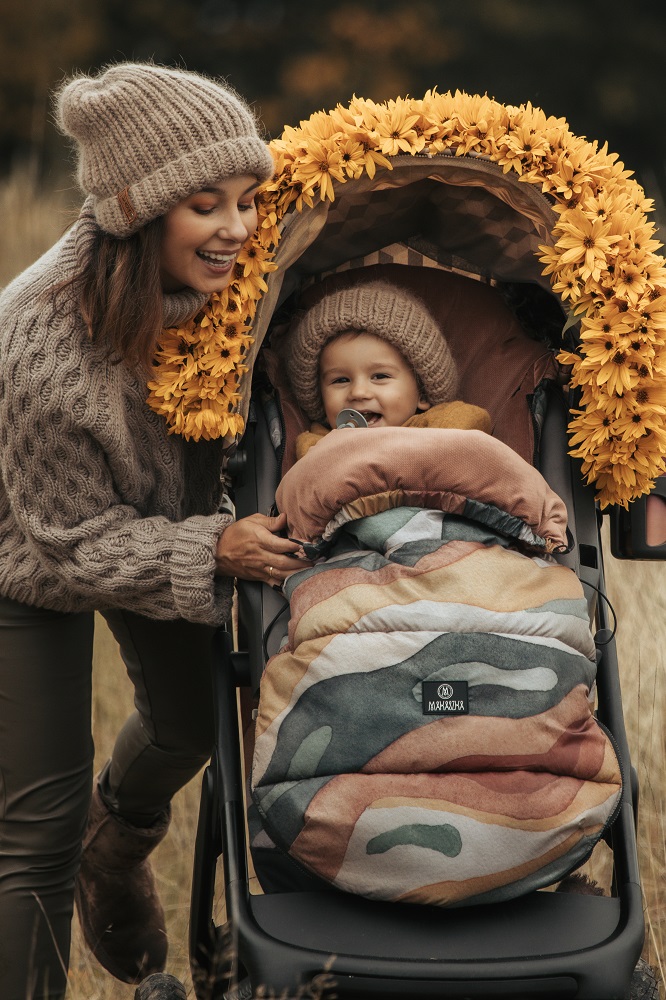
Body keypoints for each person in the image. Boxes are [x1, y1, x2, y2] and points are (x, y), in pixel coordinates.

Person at [0, 62, 305, 1000]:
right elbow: (69, 540)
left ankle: (118, 835)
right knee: (33, 825)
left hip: (164, 525)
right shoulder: (42, 338)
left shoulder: (236, 280)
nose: (238, 228)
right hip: (27, 555)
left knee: (187, 726)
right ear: (135, 208)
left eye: (248, 199)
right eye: (206, 204)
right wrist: (211, 547)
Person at [284, 279, 491, 457]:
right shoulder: (321, 440)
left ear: (423, 394)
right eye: (341, 380)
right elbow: (309, 464)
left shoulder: (433, 425)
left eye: (380, 376)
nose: (358, 392)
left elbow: (471, 419)